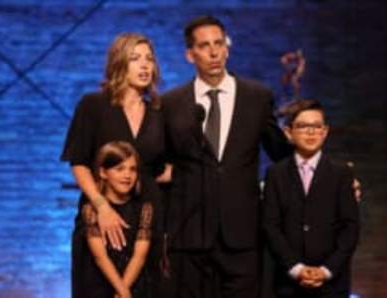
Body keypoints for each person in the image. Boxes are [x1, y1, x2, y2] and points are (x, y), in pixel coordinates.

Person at [159, 15, 293, 298]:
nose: (214, 52)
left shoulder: (257, 97)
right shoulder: (171, 103)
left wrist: (333, 182)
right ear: (189, 55)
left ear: (227, 49)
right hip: (189, 234)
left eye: (219, 43)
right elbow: (158, 160)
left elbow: (282, 157)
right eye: (204, 46)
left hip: (242, 235)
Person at [60, 32, 167, 297]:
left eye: (149, 59)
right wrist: (101, 205)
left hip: (146, 221)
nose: (144, 66)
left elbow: (165, 166)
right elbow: (79, 162)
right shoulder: (93, 105)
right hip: (102, 218)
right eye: (135, 59)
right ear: (119, 63)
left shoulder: (158, 112)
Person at [262, 99, 360, 298]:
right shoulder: (275, 174)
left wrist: (326, 270)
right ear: (288, 133)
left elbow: (350, 228)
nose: (311, 132)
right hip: (286, 282)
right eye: (303, 126)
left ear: (325, 131)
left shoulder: (341, 173)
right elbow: (271, 226)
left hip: (332, 283)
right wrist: (296, 268)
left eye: (317, 126)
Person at [79, 141, 153, 298]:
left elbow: (139, 256)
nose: (127, 175)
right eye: (120, 169)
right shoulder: (90, 210)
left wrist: (124, 291)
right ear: (103, 172)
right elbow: (100, 258)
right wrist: (122, 292)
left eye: (132, 169)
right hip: (101, 284)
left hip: (133, 283)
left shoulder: (144, 209)